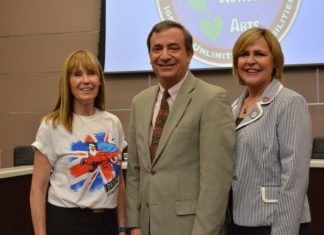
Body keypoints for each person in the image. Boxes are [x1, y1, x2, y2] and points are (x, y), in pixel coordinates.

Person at [126, 20, 235, 235]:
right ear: (150, 57)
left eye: (173, 48)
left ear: (189, 54)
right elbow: (135, 171)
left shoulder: (212, 99)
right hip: (146, 227)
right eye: (157, 49)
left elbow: (216, 183)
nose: (164, 55)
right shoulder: (140, 102)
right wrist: (134, 224)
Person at [30, 49, 127, 235]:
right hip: (67, 222)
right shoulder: (52, 125)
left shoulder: (113, 123)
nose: (86, 80)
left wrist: (122, 226)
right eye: (77, 74)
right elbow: (37, 189)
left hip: (107, 222)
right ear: (68, 82)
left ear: (99, 80)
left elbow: (118, 181)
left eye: (91, 73)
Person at [228, 27, 312, 235]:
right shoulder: (232, 107)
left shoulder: (290, 102)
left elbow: (294, 178)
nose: (250, 61)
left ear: (275, 62)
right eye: (243, 54)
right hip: (238, 220)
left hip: (276, 224)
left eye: (259, 54)